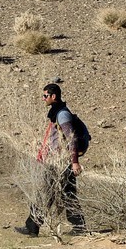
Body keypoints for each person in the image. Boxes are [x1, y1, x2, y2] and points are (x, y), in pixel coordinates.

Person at [16, 83, 85, 236]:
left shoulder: (62, 115)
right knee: (62, 194)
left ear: (54, 97)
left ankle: (33, 227)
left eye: (45, 96)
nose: (43, 99)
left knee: (55, 193)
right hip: (56, 161)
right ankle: (33, 226)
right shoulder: (56, 113)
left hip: (61, 163)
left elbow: (71, 139)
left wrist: (74, 162)